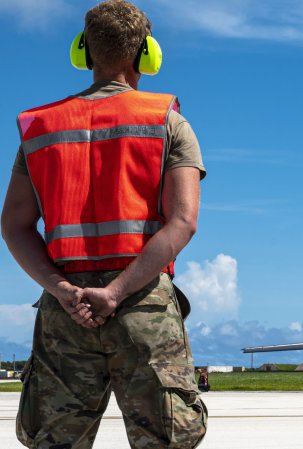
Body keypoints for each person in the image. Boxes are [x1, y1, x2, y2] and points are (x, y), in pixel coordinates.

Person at [1, 1, 208, 447]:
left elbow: (15, 225)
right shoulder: (168, 122)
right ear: (146, 54)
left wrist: (64, 291)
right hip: (143, 308)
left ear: (84, 52)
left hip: (67, 312)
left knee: (54, 440)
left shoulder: (40, 129)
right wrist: (115, 292)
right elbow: (183, 222)